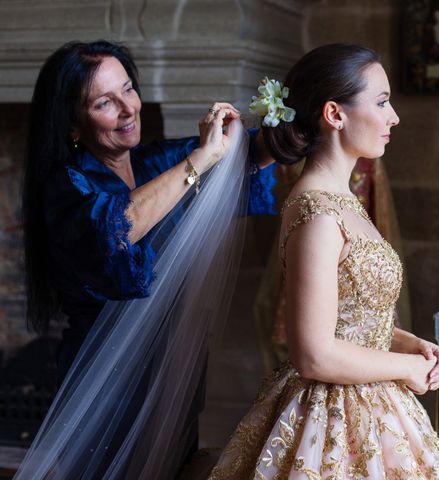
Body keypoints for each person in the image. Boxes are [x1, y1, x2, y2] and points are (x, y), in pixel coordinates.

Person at [18, 40, 275, 479]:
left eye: (129, 89)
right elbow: (116, 229)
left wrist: (289, 122)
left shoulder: (154, 161)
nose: (127, 108)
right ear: (73, 125)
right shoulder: (65, 186)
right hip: (106, 380)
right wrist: (202, 158)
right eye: (104, 102)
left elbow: (248, 157)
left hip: (170, 371)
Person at [210, 43, 439, 479]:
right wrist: (407, 369)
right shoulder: (317, 213)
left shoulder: (341, 201)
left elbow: (348, 317)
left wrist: (407, 342)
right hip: (332, 416)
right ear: (334, 114)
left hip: (372, 403)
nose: (393, 117)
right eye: (381, 102)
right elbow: (314, 353)